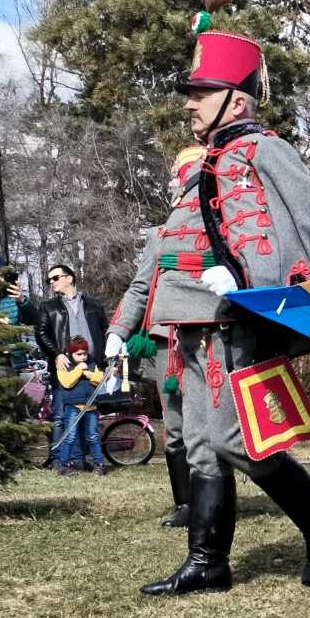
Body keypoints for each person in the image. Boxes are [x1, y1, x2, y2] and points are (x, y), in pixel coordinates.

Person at [107, 0, 310, 596]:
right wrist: (131, 322)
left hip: (227, 320)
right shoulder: (207, 163)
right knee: (197, 446)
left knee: (233, 439)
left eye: (201, 94)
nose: (190, 105)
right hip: (185, 321)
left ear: (236, 98)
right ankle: (208, 561)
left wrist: (252, 281)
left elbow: (308, 219)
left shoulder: (263, 151)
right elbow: (169, 252)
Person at [117, 146, 207, 524]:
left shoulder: (222, 227)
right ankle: (185, 504)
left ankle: (212, 500)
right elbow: (141, 287)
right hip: (163, 340)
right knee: (175, 426)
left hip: (207, 334)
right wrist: (118, 329)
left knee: (208, 425)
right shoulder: (160, 234)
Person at [25, 264, 108, 381]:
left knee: (100, 399)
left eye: (55, 278)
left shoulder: (94, 304)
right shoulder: (47, 307)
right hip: (66, 370)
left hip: (95, 368)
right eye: (49, 280)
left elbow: (106, 331)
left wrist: (108, 361)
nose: (52, 282)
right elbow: (40, 333)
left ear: (69, 278)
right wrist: (57, 354)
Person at [51, 337, 110, 476]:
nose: (83, 357)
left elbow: (100, 379)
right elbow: (66, 382)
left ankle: (99, 464)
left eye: (84, 353)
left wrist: (88, 374)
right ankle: (64, 465)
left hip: (91, 407)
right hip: (73, 406)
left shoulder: (91, 363)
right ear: (70, 353)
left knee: (93, 437)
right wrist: (78, 370)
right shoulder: (64, 365)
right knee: (70, 436)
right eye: (79, 354)